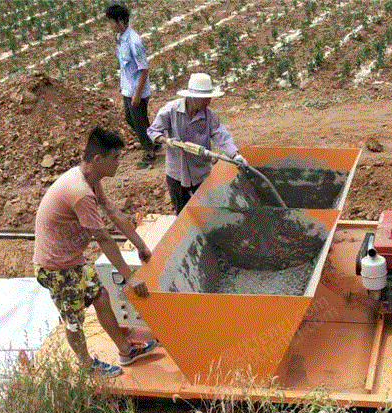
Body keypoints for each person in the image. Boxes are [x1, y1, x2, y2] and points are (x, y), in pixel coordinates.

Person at [33, 127, 157, 377]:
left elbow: (113, 212)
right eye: (116, 158)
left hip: (73, 261)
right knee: (74, 320)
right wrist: (129, 277)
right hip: (56, 267)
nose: (119, 163)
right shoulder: (80, 193)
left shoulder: (91, 179)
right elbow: (102, 237)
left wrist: (141, 244)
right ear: (98, 160)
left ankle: (125, 350)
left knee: (100, 298)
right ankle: (87, 366)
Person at [147, 72, 247, 214]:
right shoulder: (171, 110)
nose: (208, 102)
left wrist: (235, 155)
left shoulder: (209, 116)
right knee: (183, 212)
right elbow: (152, 131)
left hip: (200, 172)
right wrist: (167, 141)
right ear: (192, 97)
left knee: (208, 211)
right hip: (177, 172)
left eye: (209, 98)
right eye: (204, 98)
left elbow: (221, 135)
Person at [105, 3, 155, 169]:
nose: (110, 25)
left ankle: (149, 152)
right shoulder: (121, 38)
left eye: (111, 22)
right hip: (128, 88)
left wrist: (137, 94)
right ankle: (153, 140)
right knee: (131, 118)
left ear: (120, 21)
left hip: (136, 90)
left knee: (138, 121)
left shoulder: (134, 42)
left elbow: (144, 69)